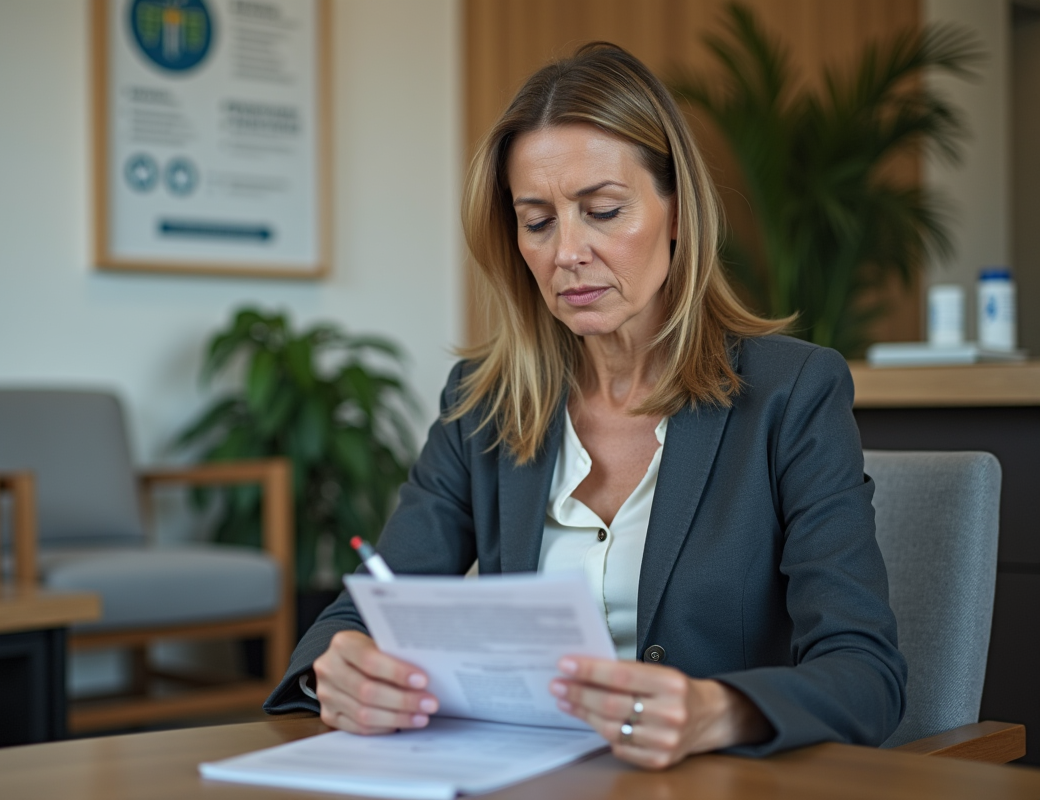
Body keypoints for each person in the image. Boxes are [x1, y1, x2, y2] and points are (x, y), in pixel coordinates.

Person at [264, 42, 906, 770]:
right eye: (537, 222)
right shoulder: (483, 406)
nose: (567, 251)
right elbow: (366, 611)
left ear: (676, 214)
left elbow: (864, 673)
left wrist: (716, 711)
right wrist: (341, 666)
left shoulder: (792, 393)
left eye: (602, 211)